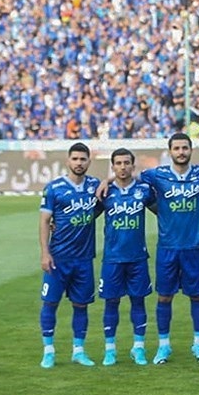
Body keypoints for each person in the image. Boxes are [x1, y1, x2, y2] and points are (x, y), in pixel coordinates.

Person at [139, 133, 199, 364]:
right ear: (170, 151)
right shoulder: (157, 175)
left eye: (185, 148)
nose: (181, 152)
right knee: (164, 297)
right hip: (167, 248)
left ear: (191, 150)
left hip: (193, 247)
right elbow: (132, 180)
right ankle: (164, 346)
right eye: (177, 148)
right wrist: (108, 180)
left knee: (197, 296)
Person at [38, 142, 102, 368]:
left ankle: (79, 351)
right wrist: (45, 253)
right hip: (58, 258)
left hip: (84, 259)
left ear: (89, 161)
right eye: (75, 159)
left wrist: (109, 180)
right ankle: (48, 351)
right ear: (68, 161)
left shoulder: (95, 185)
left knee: (81, 305)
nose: (79, 163)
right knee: (50, 303)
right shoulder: (53, 188)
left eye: (83, 159)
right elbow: (44, 221)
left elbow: (102, 204)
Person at [98, 148, 156, 366]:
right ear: (113, 166)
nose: (122, 167)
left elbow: (162, 210)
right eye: (118, 163)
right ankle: (110, 350)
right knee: (111, 303)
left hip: (137, 257)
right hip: (112, 258)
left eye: (126, 163)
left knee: (138, 301)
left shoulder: (144, 190)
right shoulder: (104, 192)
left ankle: (138, 348)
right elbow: (85, 215)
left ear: (133, 165)